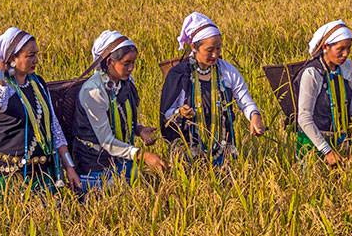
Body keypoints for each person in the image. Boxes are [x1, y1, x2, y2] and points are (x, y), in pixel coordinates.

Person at [0, 26, 81, 196]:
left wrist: (69, 166)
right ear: (12, 58)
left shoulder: (37, 83)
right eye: (30, 56)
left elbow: (53, 126)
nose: (36, 60)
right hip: (8, 175)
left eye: (36, 55)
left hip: (42, 172)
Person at [159, 11, 265, 166]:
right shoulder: (180, 74)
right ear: (194, 47)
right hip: (187, 148)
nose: (215, 55)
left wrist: (255, 116)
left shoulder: (227, 71)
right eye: (209, 50)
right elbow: (166, 114)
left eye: (218, 48)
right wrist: (179, 112)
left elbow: (244, 99)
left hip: (223, 146)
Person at [72, 30, 167, 194]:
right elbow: (107, 141)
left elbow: (120, 118)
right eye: (126, 63)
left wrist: (138, 129)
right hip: (96, 165)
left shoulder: (125, 83)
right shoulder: (94, 91)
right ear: (109, 61)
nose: (131, 68)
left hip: (122, 160)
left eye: (133, 63)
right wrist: (143, 156)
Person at [293, 19, 352, 166]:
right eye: (340, 49)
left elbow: (350, 97)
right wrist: (326, 151)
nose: (345, 54)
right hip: (314, 141)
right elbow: (304, 118)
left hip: (341, 138)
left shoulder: (346, 67)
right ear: (326, 47)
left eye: (349, 48)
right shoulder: (312, 74)